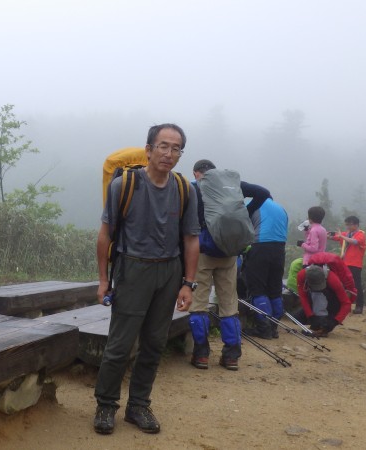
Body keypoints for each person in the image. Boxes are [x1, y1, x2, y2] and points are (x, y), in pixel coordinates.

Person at [93, 123, 200, 435]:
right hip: (131, 268)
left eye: (176, 148)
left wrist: (188, 283)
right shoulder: (124, 185)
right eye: (163, 146)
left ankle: (138, 404)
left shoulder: (184, 190)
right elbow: (104, 235)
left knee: (154, 343)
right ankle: (106, 404)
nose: (169, 153)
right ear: (149, 149)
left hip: (169, 271)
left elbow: (191, 239)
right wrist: (102, 280)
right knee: (120, 343)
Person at [187, 160, 270, 371]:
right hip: (230, 252)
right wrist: (246, 213)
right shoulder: (231, 185)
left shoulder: (195, 187)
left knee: (199, 304)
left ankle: (202, 355)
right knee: (229, 304)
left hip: (203, 252)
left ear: (197, 173)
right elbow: (263, 192)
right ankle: (231, 356)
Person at [241, 197, 289, 339]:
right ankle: (273, 327)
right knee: (275, 289)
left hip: (261, 246)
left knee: (257, 289)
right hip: (280, 249)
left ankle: (263, 328)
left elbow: (244, 228)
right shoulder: (282, 209)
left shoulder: (253, 204)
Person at [295, 254, 354, 337]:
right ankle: (318, 322)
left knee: (325, 302)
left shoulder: (332, 279)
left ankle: (324, 323)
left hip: (332, 295)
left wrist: (335, 321)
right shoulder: (301, 275)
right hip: (315, 294)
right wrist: (310, 316)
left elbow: (346, 303)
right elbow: (303, 297)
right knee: (298, 317)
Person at [329, 216, 366, 314]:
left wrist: (342, 236)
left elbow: (355, 241)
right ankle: (345, 305)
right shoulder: (347, 234)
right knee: (344, 285)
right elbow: (336, 237)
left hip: (355, 264)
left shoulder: (360, 234)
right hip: (344, 263)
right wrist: (328, 235)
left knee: (356, 285)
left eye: (350, 224)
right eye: (347, 224)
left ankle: (359, 306)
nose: (348, 226)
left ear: (356, 225)